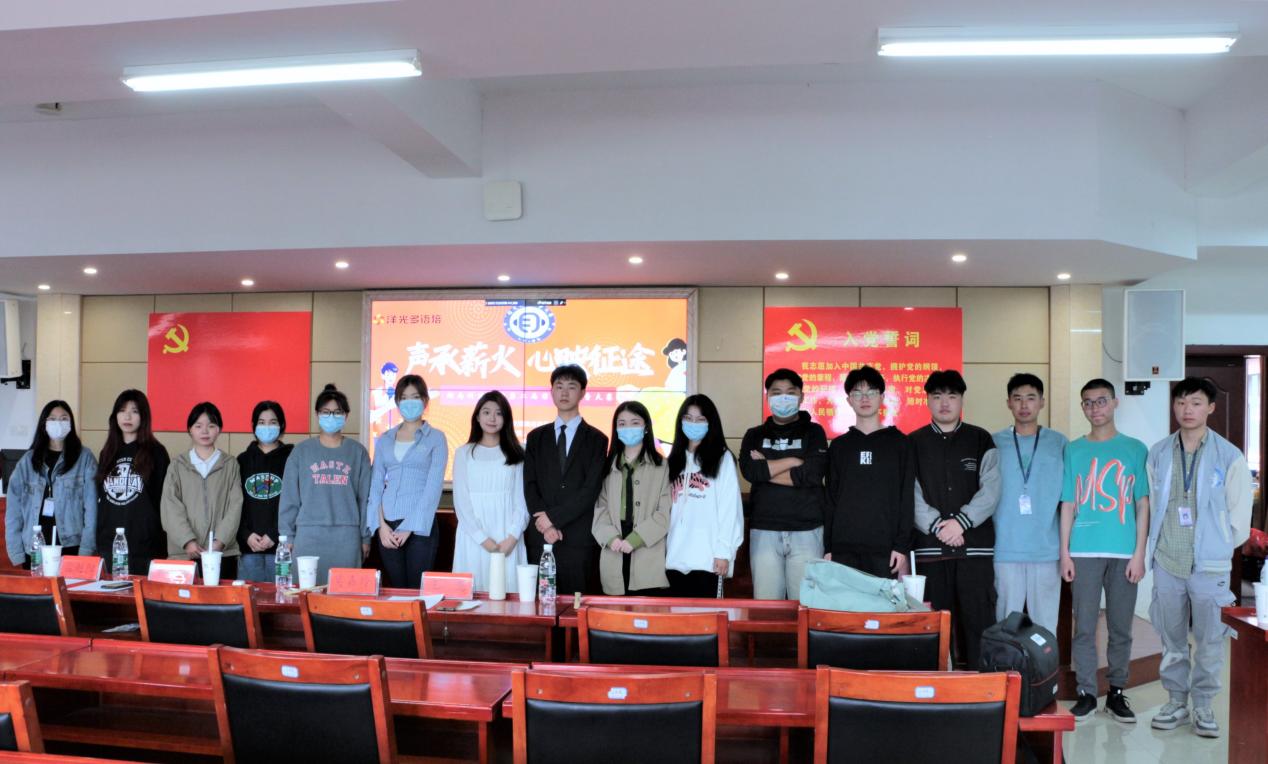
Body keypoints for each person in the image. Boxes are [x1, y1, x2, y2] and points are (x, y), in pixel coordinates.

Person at [1145, 377, 1252, 738]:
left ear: (1210, 408)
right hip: (1168, 560)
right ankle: (1176, 700)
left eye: (1195, 403)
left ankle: (1203, 705)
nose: (1187, 410)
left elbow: (1239, 518)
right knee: (1172, 638)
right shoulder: (1159, 452)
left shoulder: (1229, 456)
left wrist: (1218, 547)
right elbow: (1151, 506)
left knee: (1209, 641)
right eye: (1180, 402)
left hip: (1210, 565)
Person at [1060, 378, 1150, 724]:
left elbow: (1142, 504)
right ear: (1082, 407)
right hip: (1083, 552)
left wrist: (1139, 553)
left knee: (1120, 626)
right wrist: (1065, 552)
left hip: (1124, 553)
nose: (1094, 408)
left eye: (1101, 401)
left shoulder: (1135, 449)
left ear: (1114, 403)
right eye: (1088, 402)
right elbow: (1068, 504)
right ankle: (1086, 692)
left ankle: (1116, 692)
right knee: (1083, 626)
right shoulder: (1073, 450)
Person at [912, 369, 1001, 669]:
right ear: (927, 401)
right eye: (937, 396)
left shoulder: (981, 439)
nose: (944, 403)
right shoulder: (913, 442)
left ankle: (981, 688)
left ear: (962, 399)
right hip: (931, 551)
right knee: (934, 627)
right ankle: (938, 688)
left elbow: (992, 489)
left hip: (974, 550)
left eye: (952, 396)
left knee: (979, 623)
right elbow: (909, 493)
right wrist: (937, 525)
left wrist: (961, 522)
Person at [739, 368, 828, 599]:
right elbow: (750, 471)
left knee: (805, 603)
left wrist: (766, 467)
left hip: (807, 529)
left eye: (790, 392)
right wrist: (793, 461)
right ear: (767, 397)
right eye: (777, 393)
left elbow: (812, 474)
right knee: (767, 603)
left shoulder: (815, 432)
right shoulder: (754, 435)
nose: (783, 398)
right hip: (764, 529)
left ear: (801, 396)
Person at [523, 365, 609, 596]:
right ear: (551, 391)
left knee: (577, 605)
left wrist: (553, 519)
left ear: (582, 393)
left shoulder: (597, 439)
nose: (564, 392)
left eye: (571, 387)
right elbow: (530, 486)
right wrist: (546, 524)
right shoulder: (535, 438)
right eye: (559, 386)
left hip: (578, 539)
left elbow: (590, 490)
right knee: (541, 605)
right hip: (541, 537)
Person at [992, 373, 1068, 634]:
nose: (1024, 405)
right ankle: (1006, 664)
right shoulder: (993, 443)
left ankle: (1046, 665)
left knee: (1045, 626)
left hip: (1046, 549)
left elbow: (1068, 499)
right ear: (1008, 403)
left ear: (1042, 402)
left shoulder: (1059, 443)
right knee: (1006, 625)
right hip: (1005, 548)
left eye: (1031, 398)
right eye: (1017, 398)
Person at [824, 366, 914, 579]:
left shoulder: (901, 444)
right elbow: (830, 499)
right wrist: (829, 547)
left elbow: (907, 498)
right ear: (849, 400)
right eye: (857, 393)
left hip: (887, 550)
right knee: (846, 601)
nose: (864, 398)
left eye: (871, 392)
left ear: (882, 397)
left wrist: (901, 546)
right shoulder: (839, 446)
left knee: (883, 602)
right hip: (843, 549)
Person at [279, 384, 372, 587]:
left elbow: (365, 499)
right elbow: (289, 498)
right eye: (326, 412)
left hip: (347, 537)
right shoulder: (301, 452)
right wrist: (287, 537)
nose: (331, 416)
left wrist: (365, 537)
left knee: (345, 593)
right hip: (308, 537)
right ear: (317, 414)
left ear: (346, 416)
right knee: (305, 594)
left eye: (337, 412)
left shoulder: (358, 452)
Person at [367, 374, 448, 588]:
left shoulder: (436, 438)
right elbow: (375, 485)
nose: (409, 402)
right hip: (388, 526)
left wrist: (409, 527)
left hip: (420, 527)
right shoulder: (385, 439)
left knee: (416, 591)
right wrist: (381, 526)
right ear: (397, 402)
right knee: (395, 590)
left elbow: (433, 488)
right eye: (404, 398)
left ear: (425, 401)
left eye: (415, 397)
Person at [665, 394, 744, 597]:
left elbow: (729, 509)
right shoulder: (673, 460)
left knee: (706, 615)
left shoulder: (722, 458)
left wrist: (724, 552)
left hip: (708, 560)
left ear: (711, 423)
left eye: (700, 419)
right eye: (688, 418)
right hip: (674, 557)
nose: (693, 424)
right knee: (676, 615)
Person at [451, 391, 529, 593]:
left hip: (508, 535)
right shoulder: (463, 453)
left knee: (507, 595)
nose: (492, 418)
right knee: (473, 597)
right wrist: (483, 540)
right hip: (473, 537)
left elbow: (522, 500)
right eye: (486, 412)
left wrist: (512, 538)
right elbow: (461, 502)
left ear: (506, 418)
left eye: (499, 413)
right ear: (477, 417)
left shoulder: (519, 452)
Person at [592, 401, 672, 595]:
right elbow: (600, 508)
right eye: (622, 424)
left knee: (646, 609)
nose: (628, 428)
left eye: (635, 423)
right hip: (614, 544)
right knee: (615, 609)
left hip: (647, 545)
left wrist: (636, 539)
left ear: (646, 427)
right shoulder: (607, 465)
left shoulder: (662, 466)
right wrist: (610, 537)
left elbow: (665, 512)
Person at [5, 400, 97, 567]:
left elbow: (92, 510)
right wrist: (16, 553)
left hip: (72, 547)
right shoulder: (27, 461)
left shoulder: (84, 458)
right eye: (52, 419)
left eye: (63, 418)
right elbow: (13, 512)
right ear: (44, 423)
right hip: (34, 549)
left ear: (71, 423)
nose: (58, 423)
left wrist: (86, 550)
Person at [160, 402, 242, 580]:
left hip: (222, 554)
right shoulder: (177, 465)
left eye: (211, 426)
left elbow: (235, 506)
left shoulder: (230, 464)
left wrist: (220, 541)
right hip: (184, 554)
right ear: (189, 429)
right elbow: (170, 507)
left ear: (219, 429)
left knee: (221, 598)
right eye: (198, 426)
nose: (205, 431)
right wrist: (187, 541)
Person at [94, 390, 170, 574]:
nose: (127, 417)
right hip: (110, 545)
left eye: (134, 411)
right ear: (115, 416)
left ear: (144, 416)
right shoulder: (107, 453)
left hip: (144, 547)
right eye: (122, 410)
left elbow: (164, 501)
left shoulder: (157, 452)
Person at [236, 401, 293, 582]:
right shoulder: (242, 460)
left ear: (281, 425)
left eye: (272, 422)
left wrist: (276, 534)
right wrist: (246, 535)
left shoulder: (292, 459)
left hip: (282, 549)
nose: (267, 427)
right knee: (249, 597)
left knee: (283, 596)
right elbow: (234, 504)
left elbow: (297, 503)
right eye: (261, 422)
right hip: (249, 549)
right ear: (253, 426)